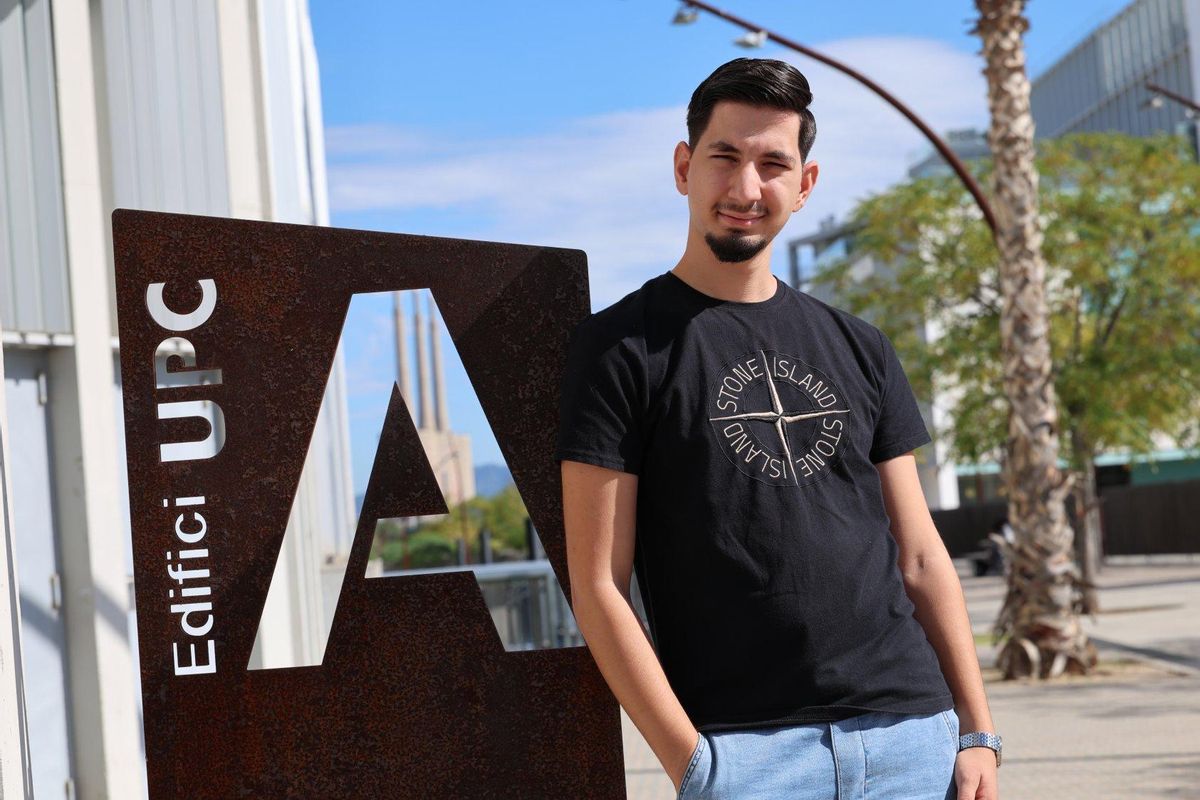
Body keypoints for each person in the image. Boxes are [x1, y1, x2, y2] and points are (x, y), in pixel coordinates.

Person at [556, 57, 1000, 800]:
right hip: (747, 757)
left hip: (911, 739)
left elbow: (920, 556)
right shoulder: (620, 348)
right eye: (725, 157)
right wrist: (694, 767)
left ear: (806, 185)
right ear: (683, 167)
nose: (745, 188)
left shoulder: (860, 345)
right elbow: (600, 582)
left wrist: (976, 730)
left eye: (773, 164)